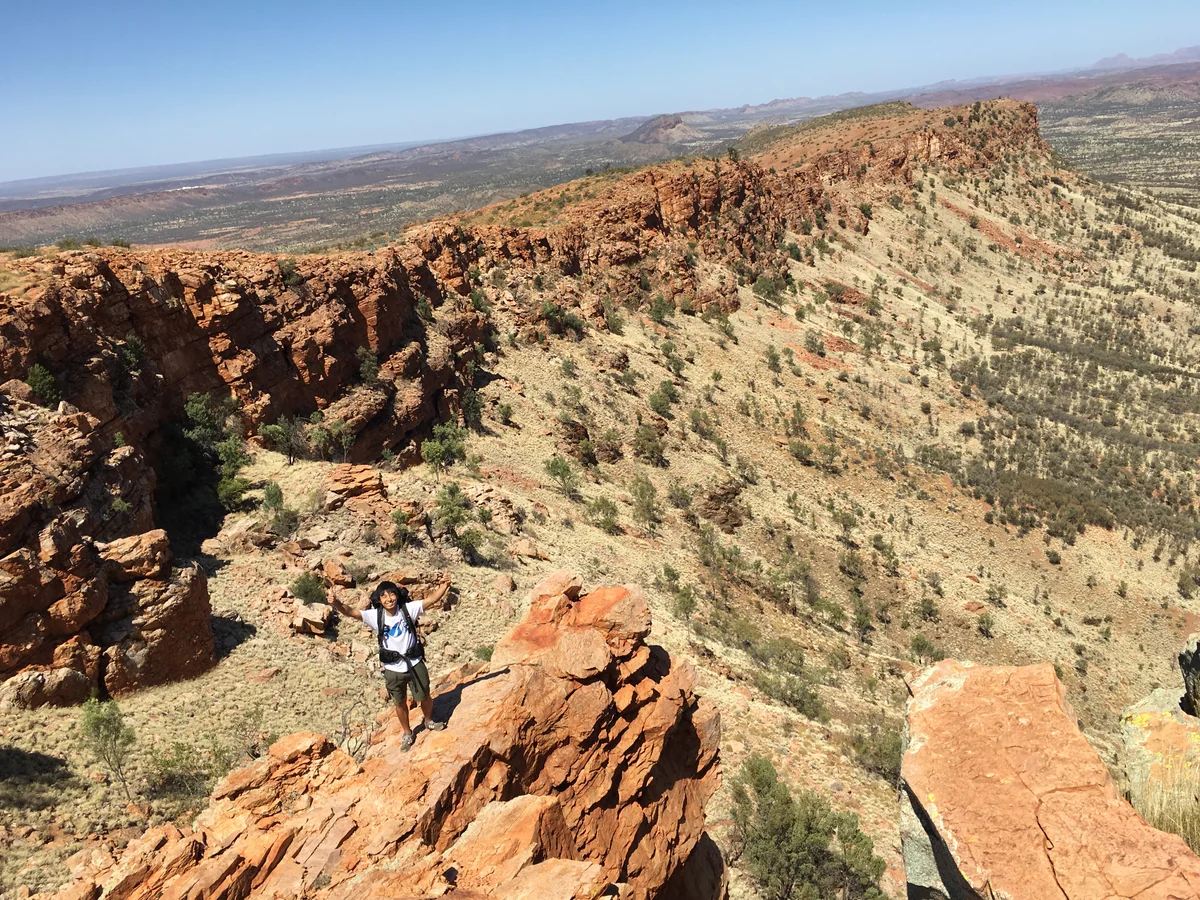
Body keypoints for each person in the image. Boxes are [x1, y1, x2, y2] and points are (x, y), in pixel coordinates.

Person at [330, 580, 446, 751]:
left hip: (414, 662)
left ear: (397, 596)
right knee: (399, 703)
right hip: (393, 669)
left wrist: (444, 585)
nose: (389, 599)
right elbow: (351, 612)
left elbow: (431, 600)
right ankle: (407, 733)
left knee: (424, 696)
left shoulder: (408, 609)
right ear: (379, 599)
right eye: (384, 596)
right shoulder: (376, 616)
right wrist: (336, 603)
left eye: (391, 594)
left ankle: (428, 721)